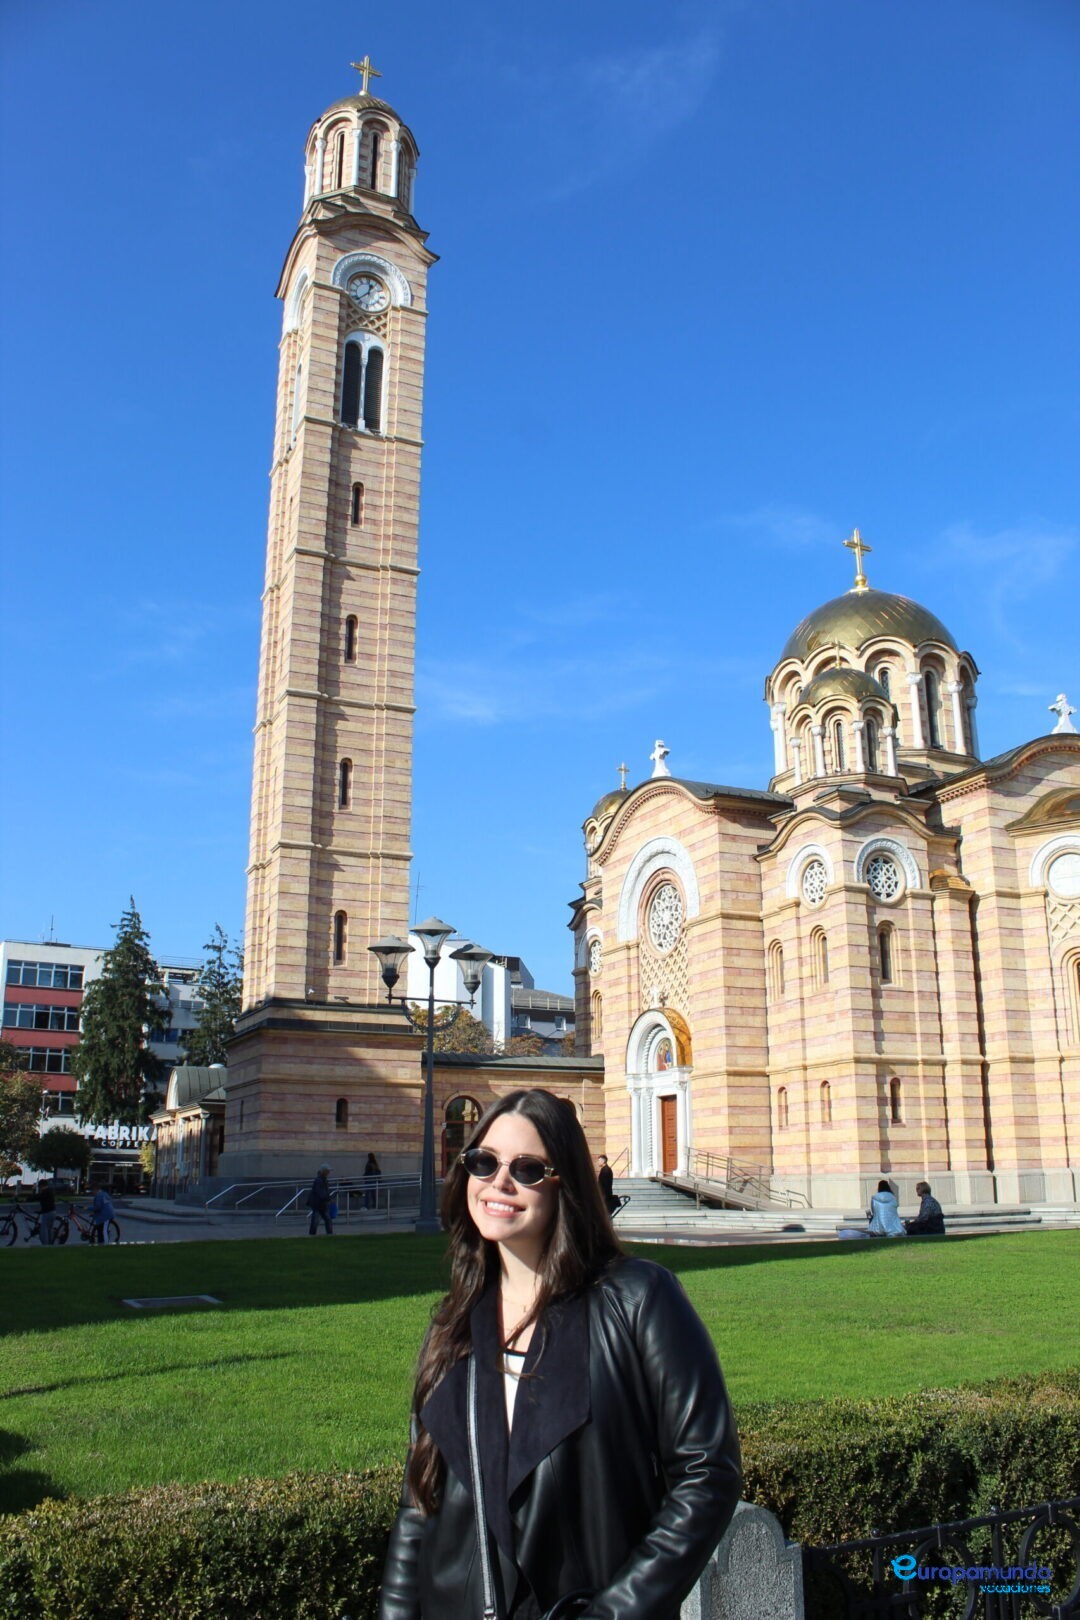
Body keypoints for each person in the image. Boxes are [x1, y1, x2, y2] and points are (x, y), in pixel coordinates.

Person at [379, 1088, 742, 1620]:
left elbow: (708, 1471)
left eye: (527, 1169)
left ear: (564, 1183)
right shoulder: (453, 1325)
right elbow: (420, 1501)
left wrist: (613, 1613)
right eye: (484, 1162)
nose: (499, 1183)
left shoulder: (638, 1300)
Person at [307, 1164, 333, 1235]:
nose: (329, 1172)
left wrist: (328, 1198)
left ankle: (329, 1233)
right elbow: (321, 1192)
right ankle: (312, 1234)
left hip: (321, 1203)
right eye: (328, 1171)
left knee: (327, 1219)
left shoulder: (323, 1179)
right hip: (318, 1203)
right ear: (324, 1171)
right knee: (317, 1220)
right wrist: (328, 1198)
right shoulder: (319, 1180)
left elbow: (323, 1192)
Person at [36, 1179, 56, 1246]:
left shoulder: (45, 1192)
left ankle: (45, 1245)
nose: (39, 1188)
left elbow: (39, 1197)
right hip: (53, 1211)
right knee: (50, 1228)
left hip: (47, 1212)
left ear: (42, 1186)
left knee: (44, 1229)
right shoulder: (50, 1191)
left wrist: (27, 1199)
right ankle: (50, 1243)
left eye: (40, 1187)